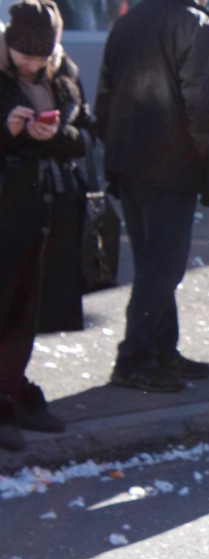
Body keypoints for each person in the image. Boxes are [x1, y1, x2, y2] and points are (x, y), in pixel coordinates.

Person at [94, 0, 209, 393]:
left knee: (153, 261)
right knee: (162, 265)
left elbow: (105, 93)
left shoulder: (129, 21)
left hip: (129, 157)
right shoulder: (195, 26)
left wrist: (112, 147)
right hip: (169, 162)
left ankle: (160, 350)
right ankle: (135, 359)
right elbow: (205, 104)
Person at [0, 0, 86, 451]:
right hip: (7, 210)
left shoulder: (64, 73)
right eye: (23, 54)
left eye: (40, 55)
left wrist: (58, 135)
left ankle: (14, 392)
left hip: (50, 212)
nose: (32, 63)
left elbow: (85, 137)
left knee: (29, 312)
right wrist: (6, 131)